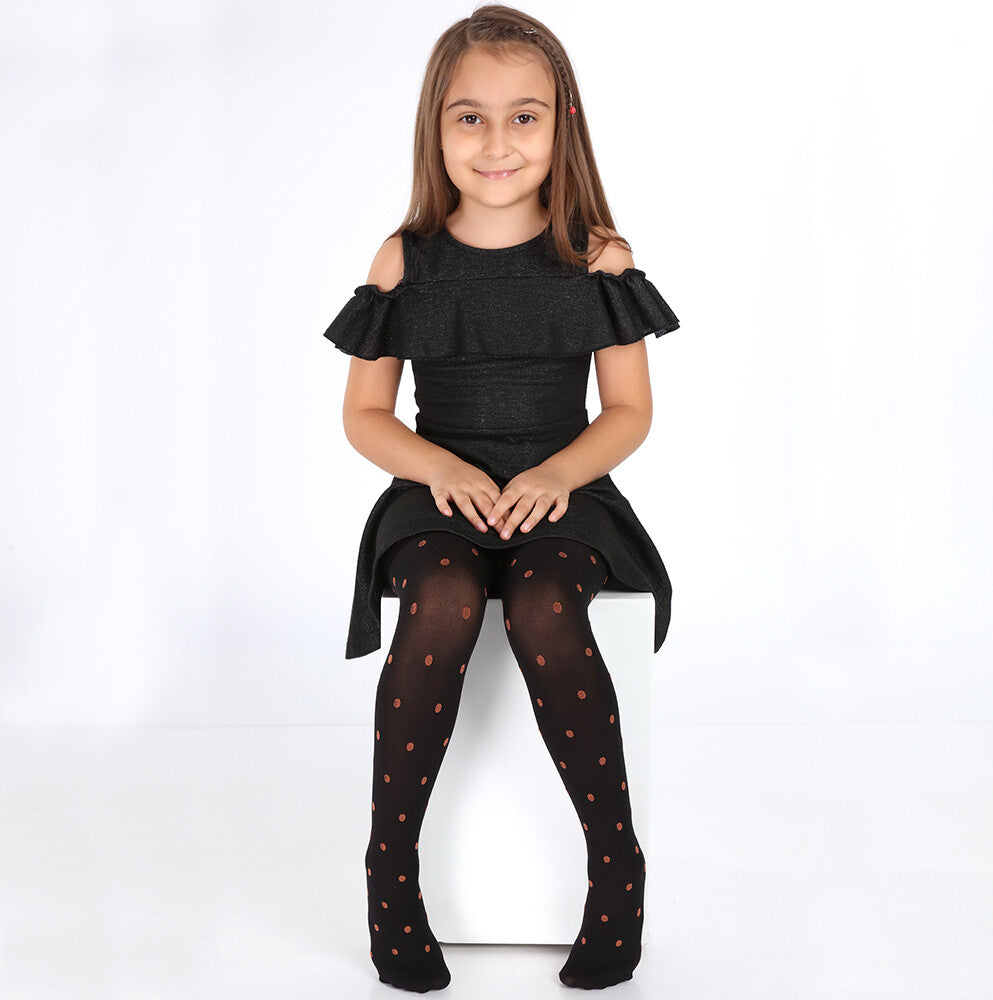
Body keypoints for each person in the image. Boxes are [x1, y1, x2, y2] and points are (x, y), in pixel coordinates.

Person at [322, 5, 681, 992]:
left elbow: (628, 410)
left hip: (565, 492)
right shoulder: (405, 259)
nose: (496, 142)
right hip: (437, 492)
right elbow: (365, 414)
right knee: (442, 596)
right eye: (468, 117)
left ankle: (617, 868)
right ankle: (390, 871)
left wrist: (558, 473)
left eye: (523, 116)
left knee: (542, 601)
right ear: (434, 128)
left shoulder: (597, 258)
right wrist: (438, 468)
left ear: (563, 124)